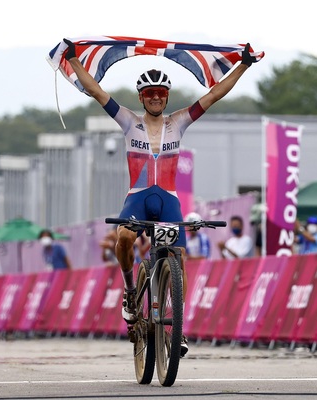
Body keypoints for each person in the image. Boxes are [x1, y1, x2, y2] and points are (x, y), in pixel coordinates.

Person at [63, 38, 261, 356]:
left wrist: (244, 65)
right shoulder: (129, 121)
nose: (155, 98)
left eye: (160, 93)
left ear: (166, 97)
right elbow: (97, 92)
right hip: (138, 197)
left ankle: (177, 328)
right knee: (124, 239)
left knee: (178, 260)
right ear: (142, 98)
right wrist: (73, 61)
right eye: (150, 94)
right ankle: (130, 292)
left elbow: (214, 94)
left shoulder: (178, 122)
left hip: (168, 199)